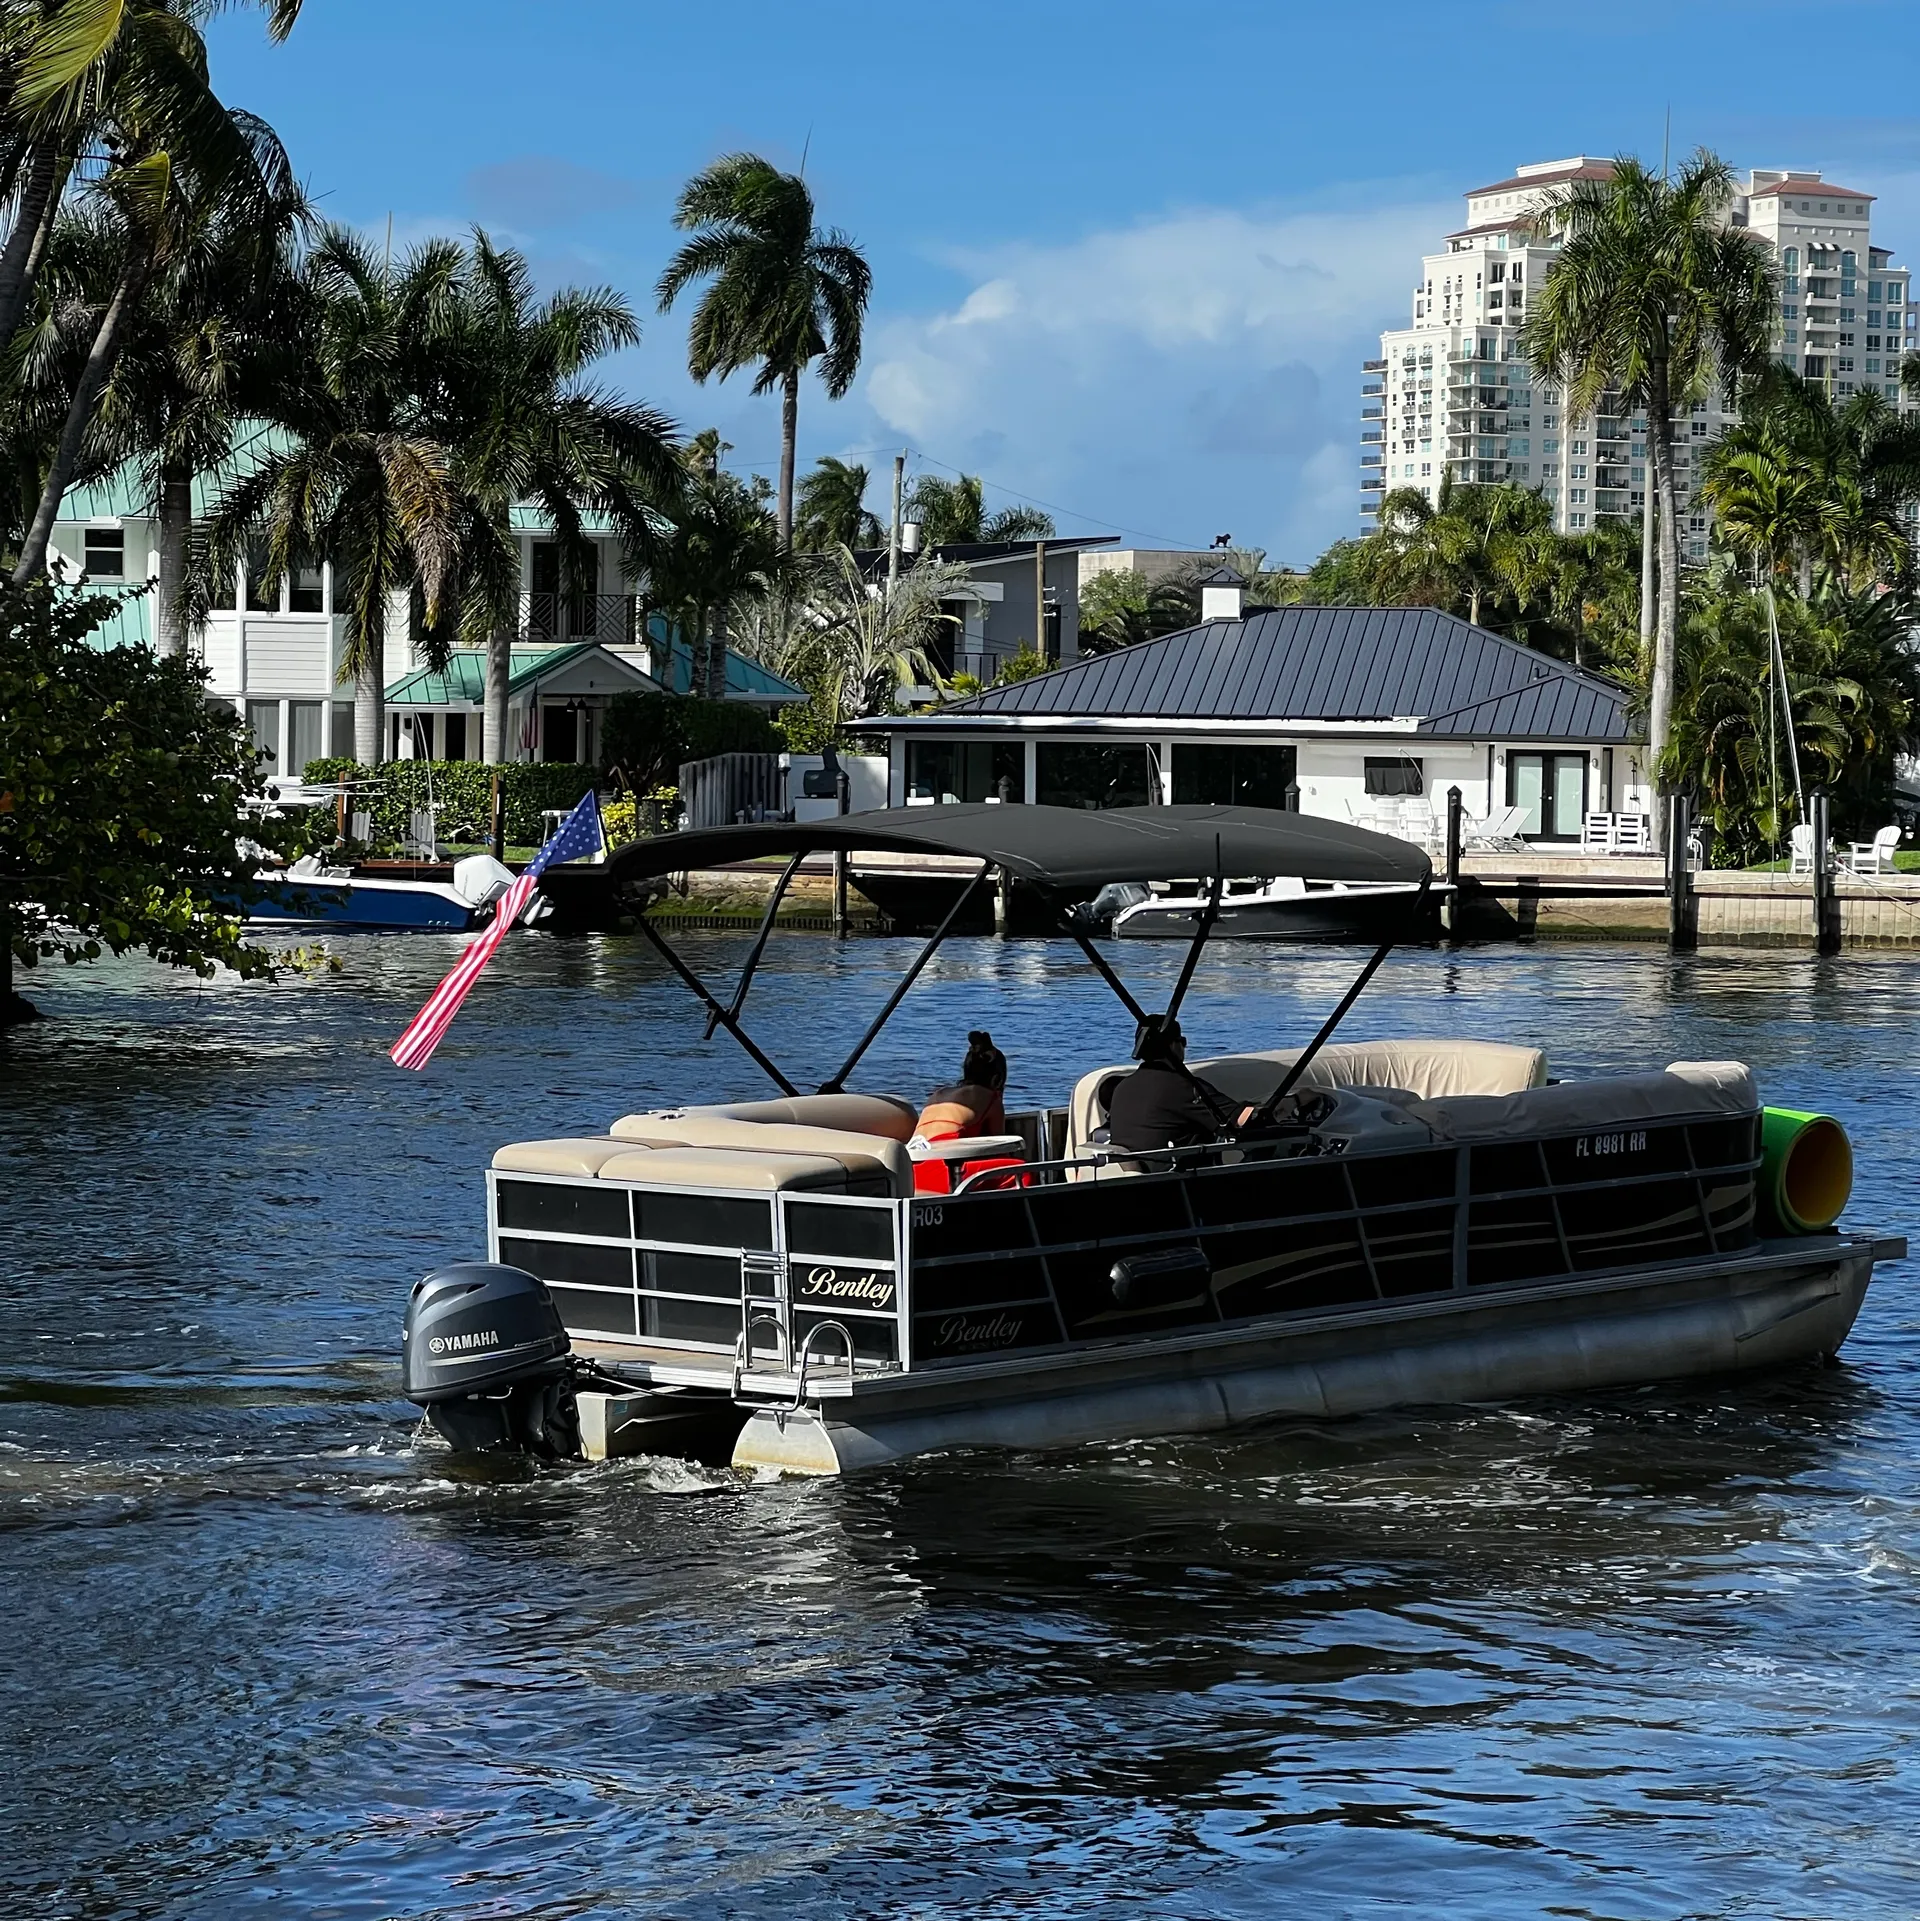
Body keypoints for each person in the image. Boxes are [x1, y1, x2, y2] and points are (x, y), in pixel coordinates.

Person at [1104, 1014, 1252, 1153]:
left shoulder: (1122, 1087)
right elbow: (1238, 1120)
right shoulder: (1183, 1086)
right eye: (1182, 1041)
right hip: (1176, 1175)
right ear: (1173, 1046)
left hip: (1136, 1172)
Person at [914, 1031, 1009, 1142]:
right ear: (997, 1077)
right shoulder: (991, 1098)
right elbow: (998, 1142)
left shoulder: (939, 1094)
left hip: (915, 1151)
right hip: (946, 1154)